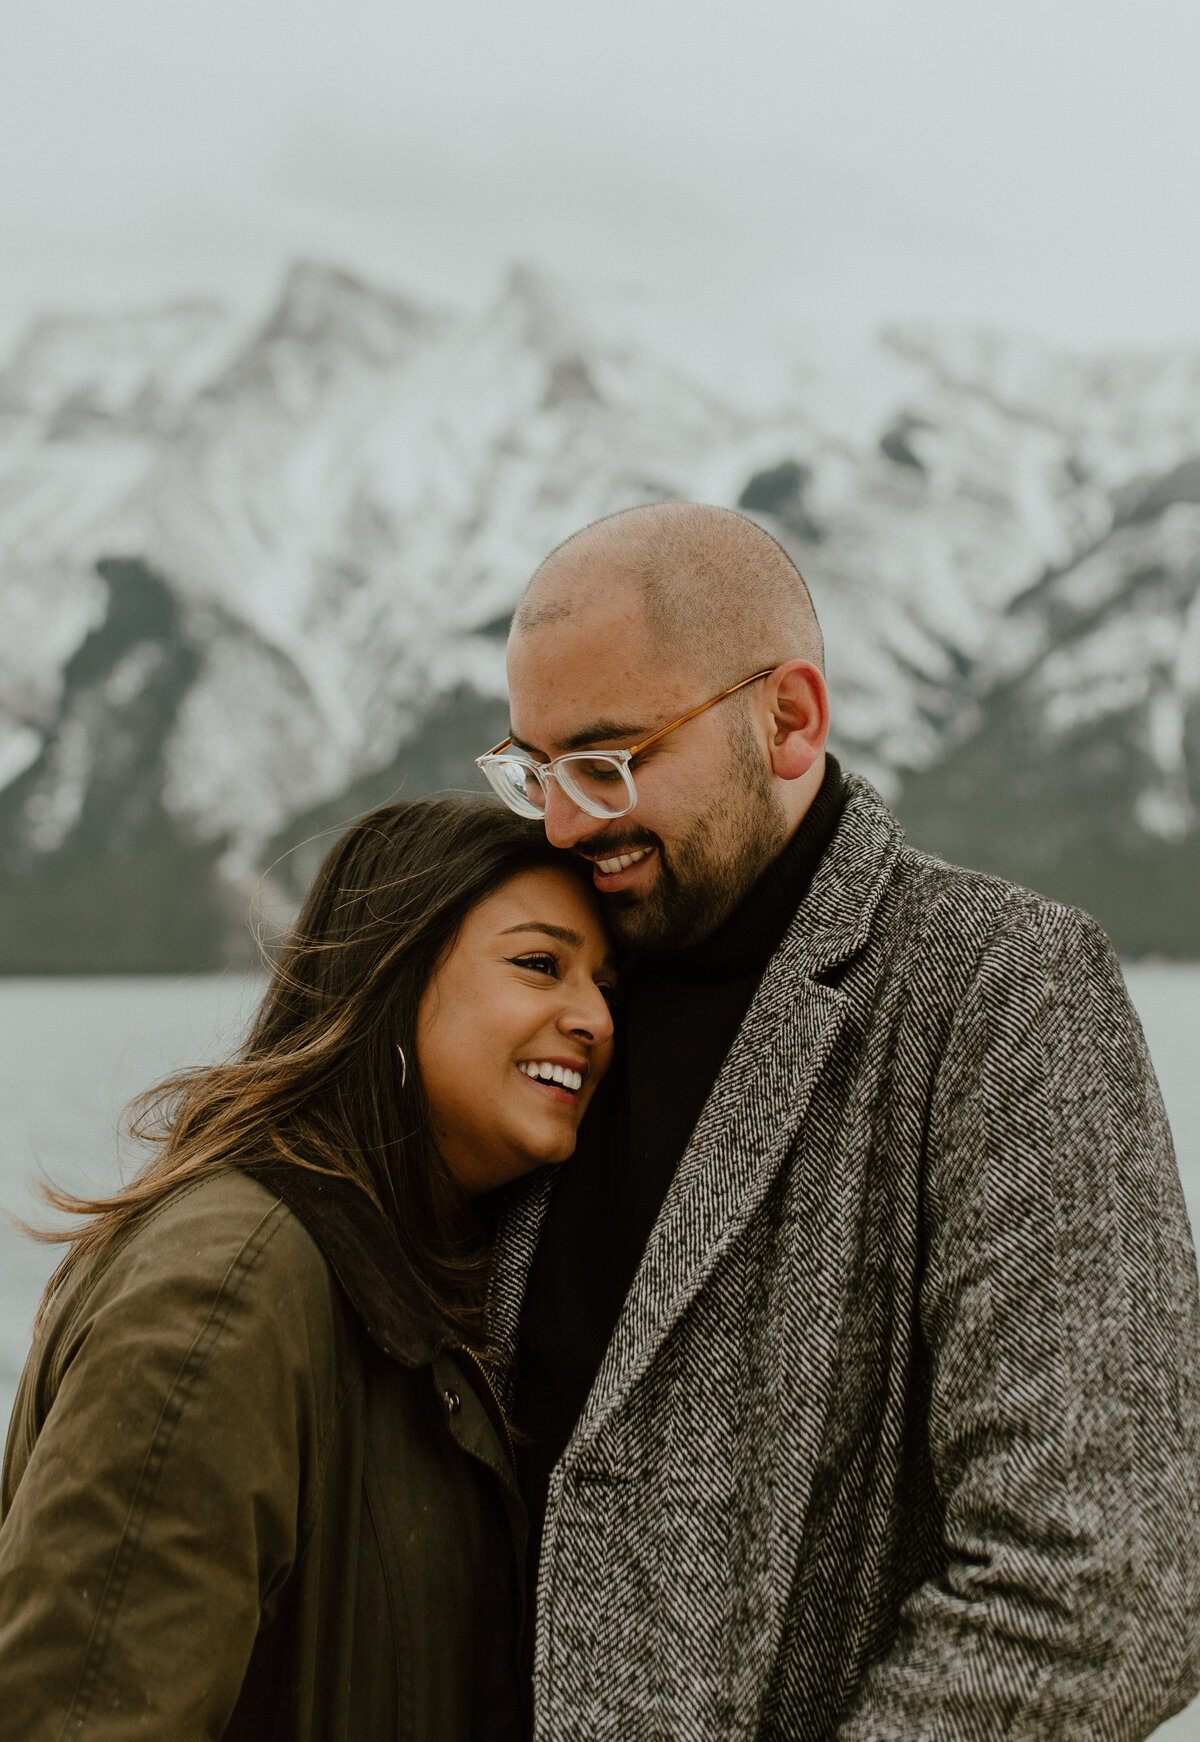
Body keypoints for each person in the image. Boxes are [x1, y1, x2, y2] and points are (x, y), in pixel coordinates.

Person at [475, 502, 1200, 1740]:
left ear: (791, 717)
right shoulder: (526, 989)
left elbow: (1110, 1581)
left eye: (607, 761)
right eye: (535, 770)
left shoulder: (999, 990)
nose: (563, 821)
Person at [0, 798, 616, 1740]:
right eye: (540, 965)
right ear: (392, 977)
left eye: (605, 983)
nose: (595, 1020)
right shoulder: (228, 1292)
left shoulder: (405, 1274)